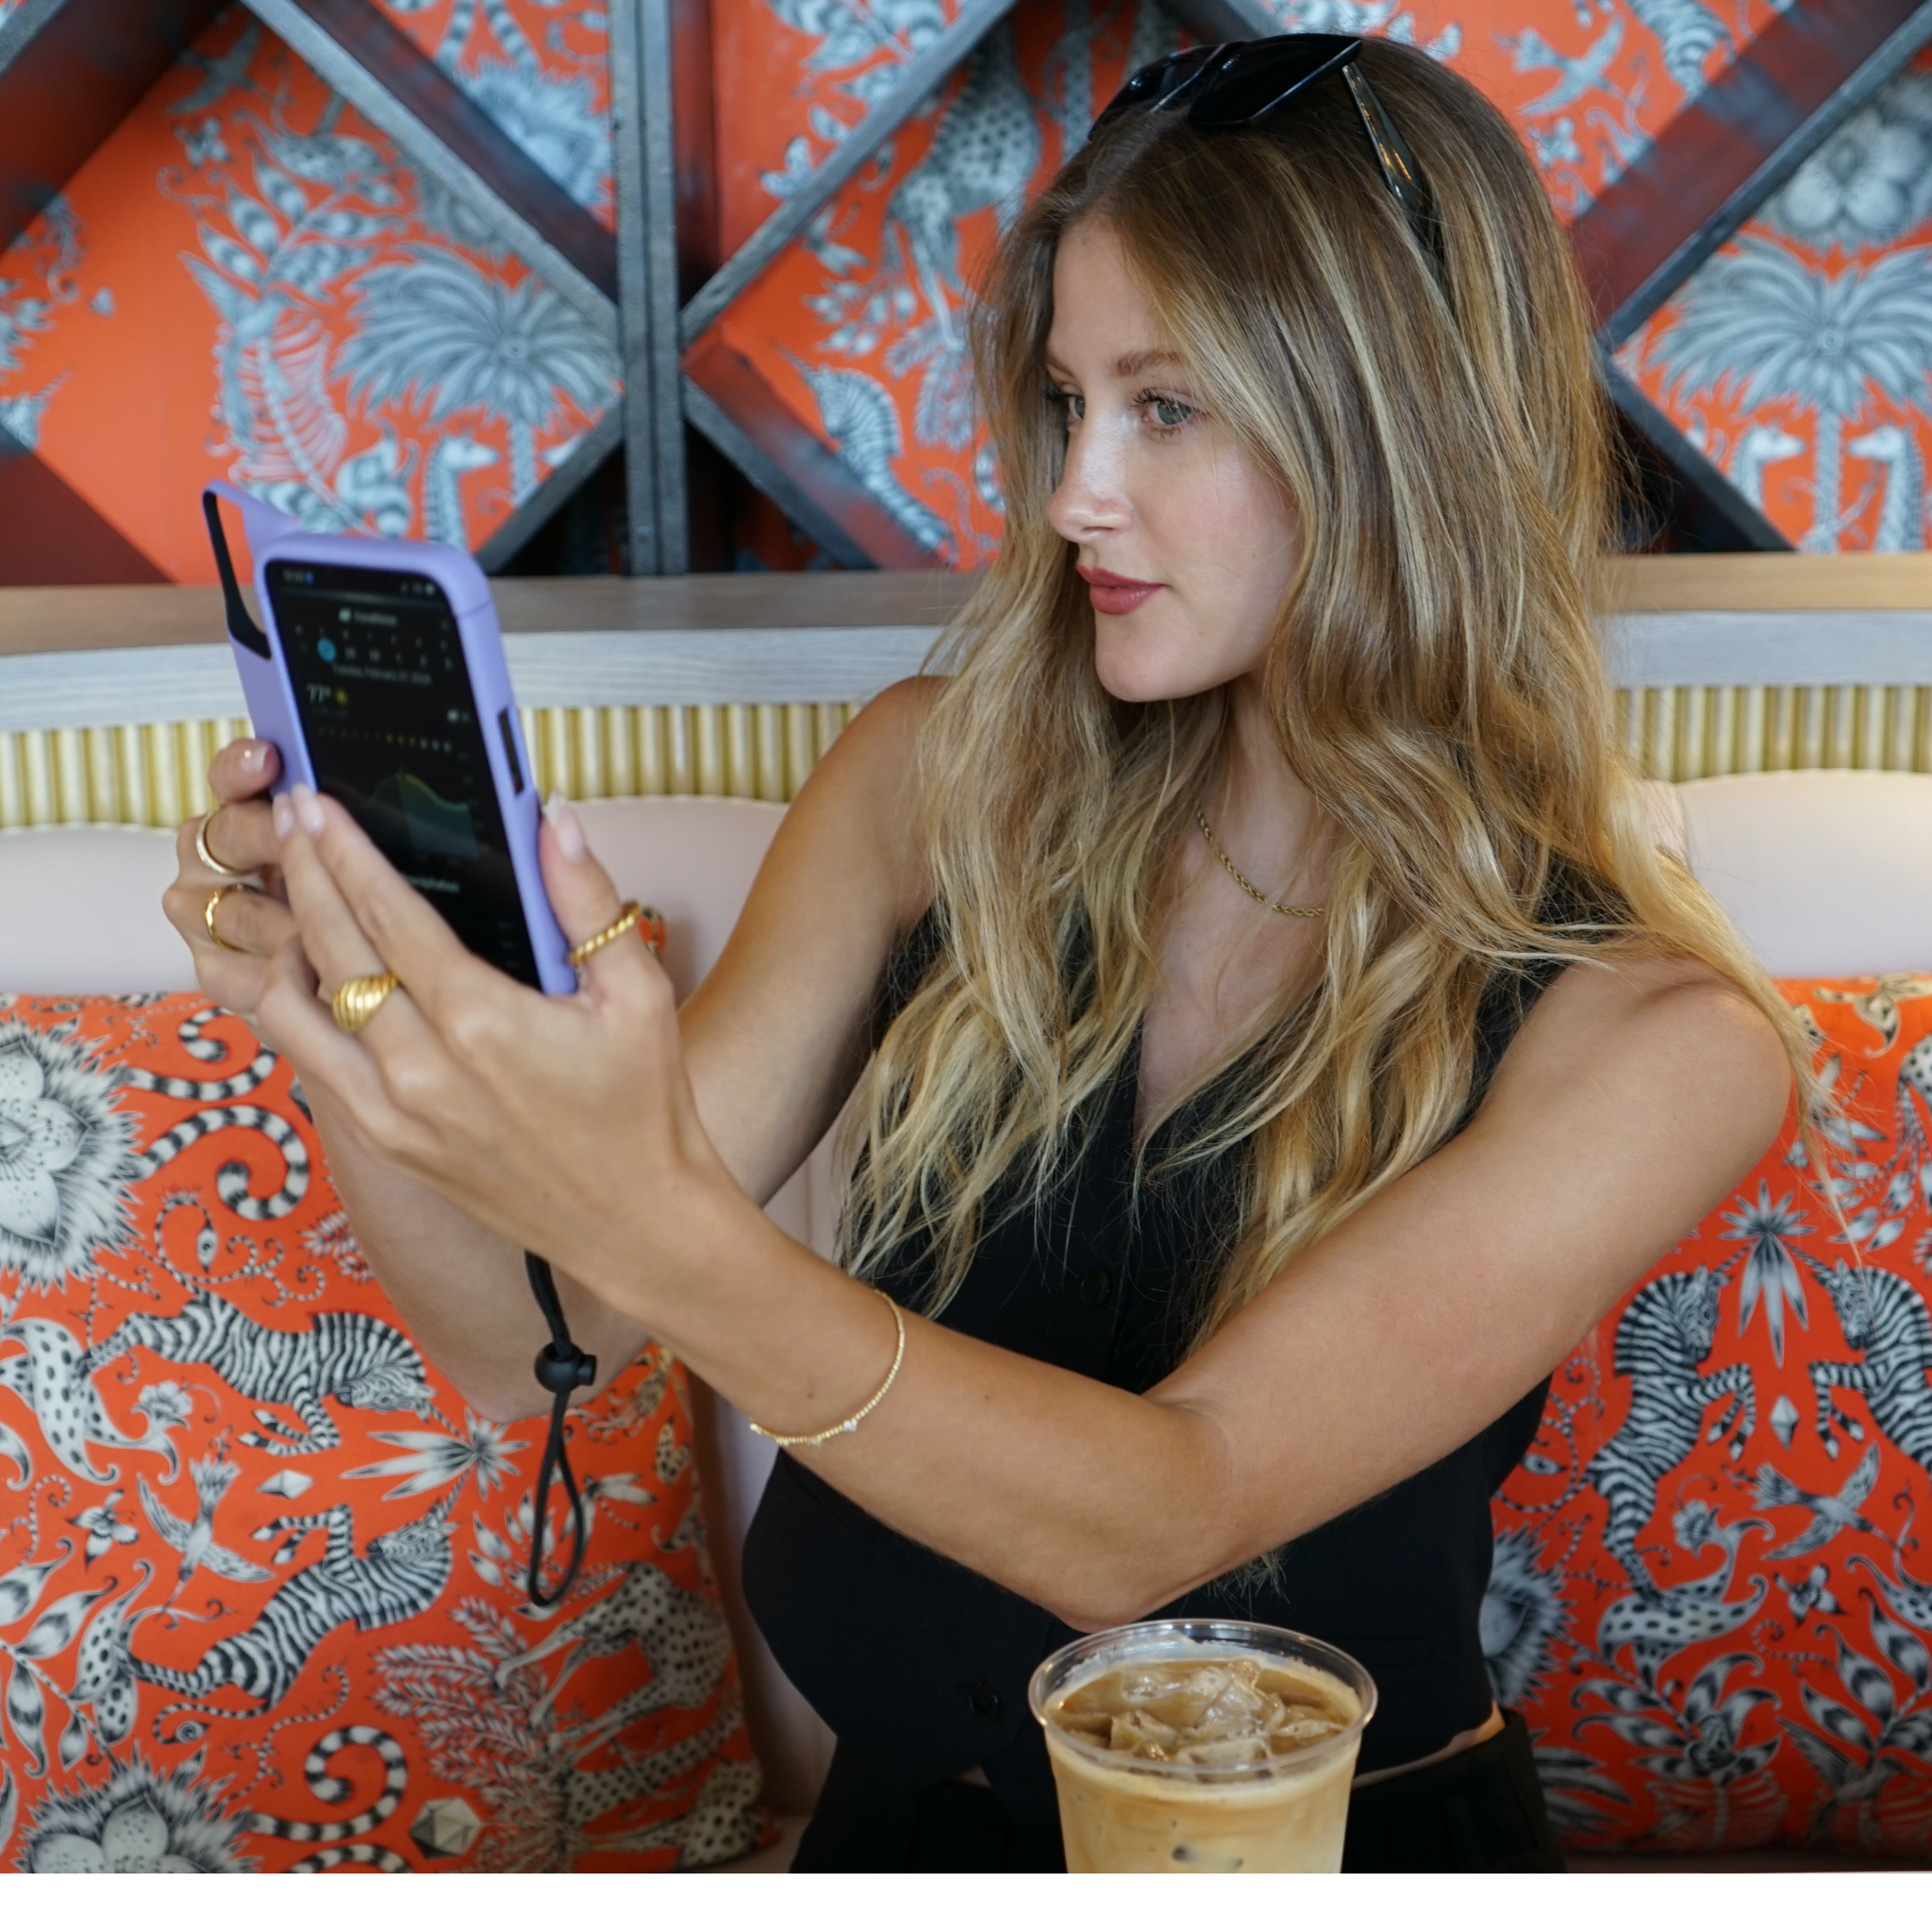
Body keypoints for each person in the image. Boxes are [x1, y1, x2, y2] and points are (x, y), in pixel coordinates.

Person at [165, 34, 1808, 1872]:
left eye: (1166, 409)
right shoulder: (929, 786)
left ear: (1395, 434)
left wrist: (647, 1208)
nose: (1073, 493)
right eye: (1065, 401)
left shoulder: (1656, 1038)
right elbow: (534, 1334)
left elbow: (1157, 1518)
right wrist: (346, 1006)